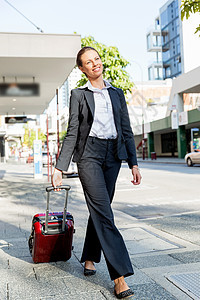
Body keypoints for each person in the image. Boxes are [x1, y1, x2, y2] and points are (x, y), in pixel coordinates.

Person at [52, 46, 141, 299]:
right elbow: (72, 132)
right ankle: (119, 277)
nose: (95, 64)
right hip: (89, 155)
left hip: (113, 155)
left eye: (97, 59)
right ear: (82, 69)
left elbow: (126, 129)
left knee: (100, 210)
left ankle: (90, 256)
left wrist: (133, 163)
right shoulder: (78, 94)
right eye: (88, 62)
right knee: (104, 212)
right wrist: (60, 167)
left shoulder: (117, 93)